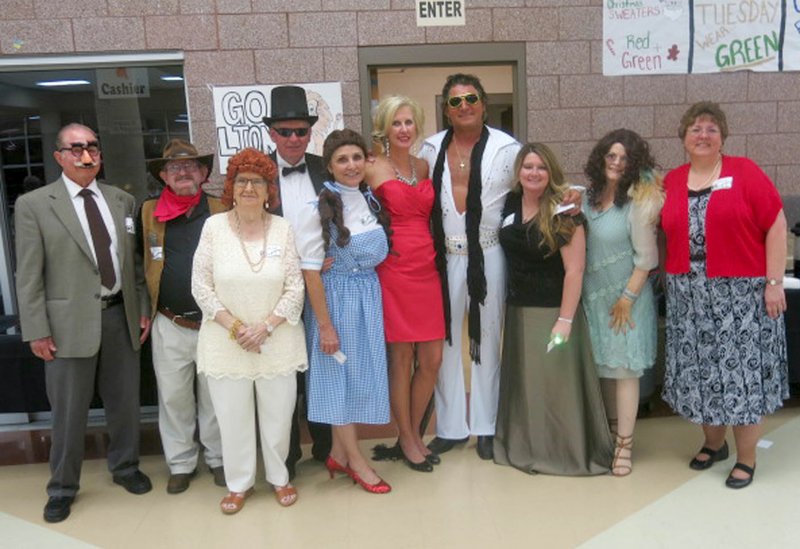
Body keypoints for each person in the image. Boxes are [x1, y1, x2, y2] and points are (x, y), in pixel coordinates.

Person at [15, 123, 152, 523]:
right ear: (59, 156)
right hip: (65, 326)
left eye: (91, 146)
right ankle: (61, 487)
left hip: (119, 317)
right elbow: (28, 275)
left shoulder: (122, 201)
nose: (84, 154)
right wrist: (36, 329)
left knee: (125, 405)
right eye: (75, 148)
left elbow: (136, 267)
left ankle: (125, 468)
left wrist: (140, 306)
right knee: (69, 413)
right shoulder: (35, 204)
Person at [661, 101, 788, 489]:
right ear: (683, 138)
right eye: (695, 129)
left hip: (741, 295)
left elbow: (776, 224)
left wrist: (774, 282)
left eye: (711, 129)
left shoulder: (744, 172)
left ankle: (746, 458)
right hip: (689, 294)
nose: (703, 135)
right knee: (701, 374)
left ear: (722, 138)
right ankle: (714, 444)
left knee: (742, 375)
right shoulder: (671, 180)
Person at [191, 148, 306, 513]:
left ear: (269, 188)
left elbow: (295, 287)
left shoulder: (284, 229)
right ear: (231, 187)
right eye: (242, 180)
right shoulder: (214, 228)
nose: (249, 188)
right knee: (232, 417)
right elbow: (201, 285)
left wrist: (266, 327)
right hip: (227, 342)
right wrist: (237, 327)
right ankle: (239, 484)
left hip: (277, 340)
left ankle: (279, 478)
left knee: (278, 416)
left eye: (257, 181)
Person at [493, 142, 613, 475]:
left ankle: (565, 453)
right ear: (519, 171)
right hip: (518, 311)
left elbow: (575, 270)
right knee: (528, 387)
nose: (534, 173)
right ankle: (528, 447)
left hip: (552, 311)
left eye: (541, 167)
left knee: (556, 386)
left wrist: (564, 320)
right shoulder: (509, 204)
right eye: (528, 166)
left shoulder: (564, 210)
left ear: (551, 173)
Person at [418, 73, 521, 460]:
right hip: (443, 258)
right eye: (456, 101)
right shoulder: (429, 149)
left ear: (483, 103)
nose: (464, 107)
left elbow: (532, 188)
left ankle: (486, 426)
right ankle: (450, 427)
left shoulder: (508, 148)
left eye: (471, 98)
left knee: (487, 341)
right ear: (446, 109)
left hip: (488, 253)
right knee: (442, 342)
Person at [295, 129, 392, 493]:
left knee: (359, 378)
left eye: (356, 157)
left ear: (366, 160)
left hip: (366, 298)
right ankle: (356, 462)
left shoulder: (368, 200)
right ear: (330, 167)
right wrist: (325, 327)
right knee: (341, 382)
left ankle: (337, 451)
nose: (351, 166)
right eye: (341, 159)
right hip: (334, 304)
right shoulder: (317, 207)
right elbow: (310, 271)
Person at [139, 139, 225, 494]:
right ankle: (180, 463)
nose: (184, 172)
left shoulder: (222, 208)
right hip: (169, 321)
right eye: (175, 168)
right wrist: (145, 312)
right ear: (163, 175)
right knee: (173, 397)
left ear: (204, 173)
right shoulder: (147, 212)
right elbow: (134, 264)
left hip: (215, 323)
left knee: (215, 396)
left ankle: (219, 458)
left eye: (191, 166)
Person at [366, 95, 445, 472]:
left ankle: (409, 433)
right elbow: (344, 208)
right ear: (384, 126)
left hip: (427, 268)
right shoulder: (370, 167)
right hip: (394, 268)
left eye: (409, 122)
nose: (403, 129)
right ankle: (410, 438)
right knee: (401, 359)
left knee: (432, 359)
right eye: (396, 123)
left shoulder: (424, 166)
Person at [581, 129, 663, 476]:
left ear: (634, 164)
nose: (616, 163)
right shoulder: (588, 197)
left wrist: (627, 300)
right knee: (603, 370)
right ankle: (609, 436)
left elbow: (646, 259)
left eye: (624, 158)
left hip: (626, 301)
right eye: (610, 156)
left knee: (624, 372)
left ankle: (625, 447)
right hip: (593, 298)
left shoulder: (639, 202)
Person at [262, 85, 332, 478]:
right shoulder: (256, 174)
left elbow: (347, 214)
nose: (293, 139)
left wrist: (339, 249)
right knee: (282, 376)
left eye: (300, 131)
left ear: (310, 133)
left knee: (320, 369)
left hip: (322, 286)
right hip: (273, 291)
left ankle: (325, 447)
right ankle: (284, 458)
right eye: (285, 131)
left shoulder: (326, 168)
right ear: (272, 133)